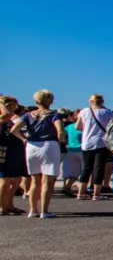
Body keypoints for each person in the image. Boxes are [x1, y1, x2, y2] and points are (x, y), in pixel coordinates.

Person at [8, 90, 66, 218]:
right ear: (50, 100)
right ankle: (44, 210)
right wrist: (59, 141)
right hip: (49, 144)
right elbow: (60, 131)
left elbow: (14, 129)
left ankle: (33, 210)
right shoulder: (54, 115)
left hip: (32, 146)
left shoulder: (28, 115)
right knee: (47, 180)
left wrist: (24, 139)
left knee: (35, 180)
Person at [76, 94, 113, 200]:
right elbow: (112, 128)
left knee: (86, 167)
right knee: (99, 167)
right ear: (102, 101)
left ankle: (81, 192)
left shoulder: (84, 111)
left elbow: (77, 126)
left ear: (90, 101)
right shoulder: (108, 113)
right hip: (101, 142)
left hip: (87, 142)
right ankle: (96, 193)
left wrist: (88, 130)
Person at [0, 96, 27, 215]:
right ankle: (2, 207)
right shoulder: (4, 116)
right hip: (3, 150)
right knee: (4, 179)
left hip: (12, 150)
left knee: (13, 180)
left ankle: (8, 205)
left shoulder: (10, 118)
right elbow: (5, 114)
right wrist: (2, 104)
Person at [60, 109, 82, 197]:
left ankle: (66, 186)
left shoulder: (70, 127)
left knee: (69, 171)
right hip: (82, 150)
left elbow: (61, 133)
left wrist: (65, 143)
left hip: (70, 150)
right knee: (82, 172)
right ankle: (82, 190)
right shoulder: (85, 127)